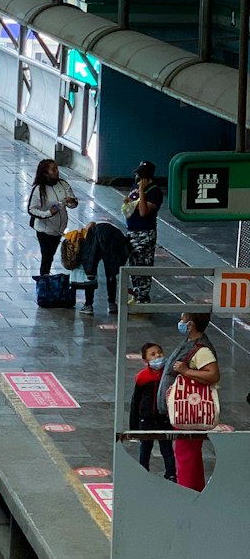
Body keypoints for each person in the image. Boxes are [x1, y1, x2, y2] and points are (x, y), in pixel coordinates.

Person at [159, 310, 220, 496]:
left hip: (191, 412)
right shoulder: (191, 344)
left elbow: (213, 374)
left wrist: (185, 371)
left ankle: (187, 493)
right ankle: (196, 491)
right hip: (187, 412)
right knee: (188, 454)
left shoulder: (202, 349)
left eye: (183, 319)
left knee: (186, 455)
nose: (181, 321)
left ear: (191, 324)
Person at [128, 341, 176, 481]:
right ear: (145, 360)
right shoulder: (142, 377)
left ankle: (171, 474)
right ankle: (143, 472)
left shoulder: (168, 375)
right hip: (146, 419)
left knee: (167, 449)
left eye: (159, 353)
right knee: (145, 447)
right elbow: (135, 402)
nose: (157, 356)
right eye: (153, 354)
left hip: (164, 418)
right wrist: (134, 427)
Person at [26, 159, 77, 278]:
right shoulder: (39, 189)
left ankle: (45, 279)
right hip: (45, 230)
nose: (57, 172)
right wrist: (48, 213)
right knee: (47, 256)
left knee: (50, 255)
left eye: (57, 168)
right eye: (53, 169)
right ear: (45, 173)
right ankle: (44, 282)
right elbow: (31, 209)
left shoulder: (63, 184)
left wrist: (71, 202)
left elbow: (73, 203)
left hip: (59, 229)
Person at [122, 161, 162, 302]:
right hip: (132, 230)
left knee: (143, 264)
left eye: (141, 175)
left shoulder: (155, 192)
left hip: (144, 233)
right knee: (133, 263)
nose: (138, 177)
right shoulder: (135, 186)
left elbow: (144, 212)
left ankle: (143, 296)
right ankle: (136, 293)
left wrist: (141, 193)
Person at [75, 220, 130, 314]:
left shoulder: (88, 234)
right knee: (111, 273)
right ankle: (112, 304)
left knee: (90, 272)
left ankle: (88, 305)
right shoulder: (111, 230)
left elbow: (89, 264)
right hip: (113, 240)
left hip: (101, 238)